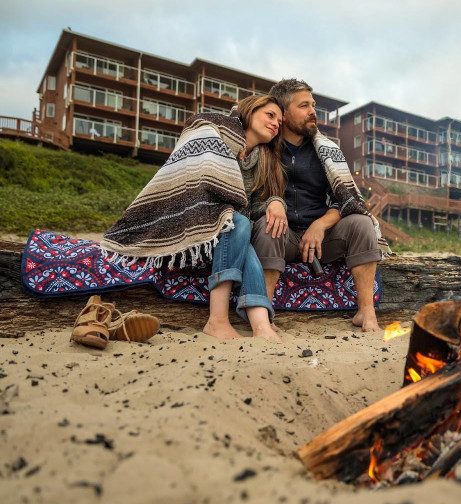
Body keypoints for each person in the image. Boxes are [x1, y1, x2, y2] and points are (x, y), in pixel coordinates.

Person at [100, 95, 284, 342]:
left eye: (280, 122)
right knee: (235, 222)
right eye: (270, 115)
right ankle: (218, 320)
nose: (275, 123)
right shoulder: (214, 133)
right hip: (194, 219)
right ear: (250, 111)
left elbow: (254, 206)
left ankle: (261, 326)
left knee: (237, 223)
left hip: (231, 233)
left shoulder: (263, 160)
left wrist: (275, 202)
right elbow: (192, 161)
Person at [250, 79, 390, 332]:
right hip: (282, 237)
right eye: (304, 106)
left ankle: (366, 312)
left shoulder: (327, 150)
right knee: (269, 225)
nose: (313, 111)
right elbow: (248, 200)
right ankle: (265, 313)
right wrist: (272, 204)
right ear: (283, 112)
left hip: (323, 239)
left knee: (361, 222)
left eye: (313, 105)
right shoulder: (262, 147)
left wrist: (321, 224)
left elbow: (346, 201)